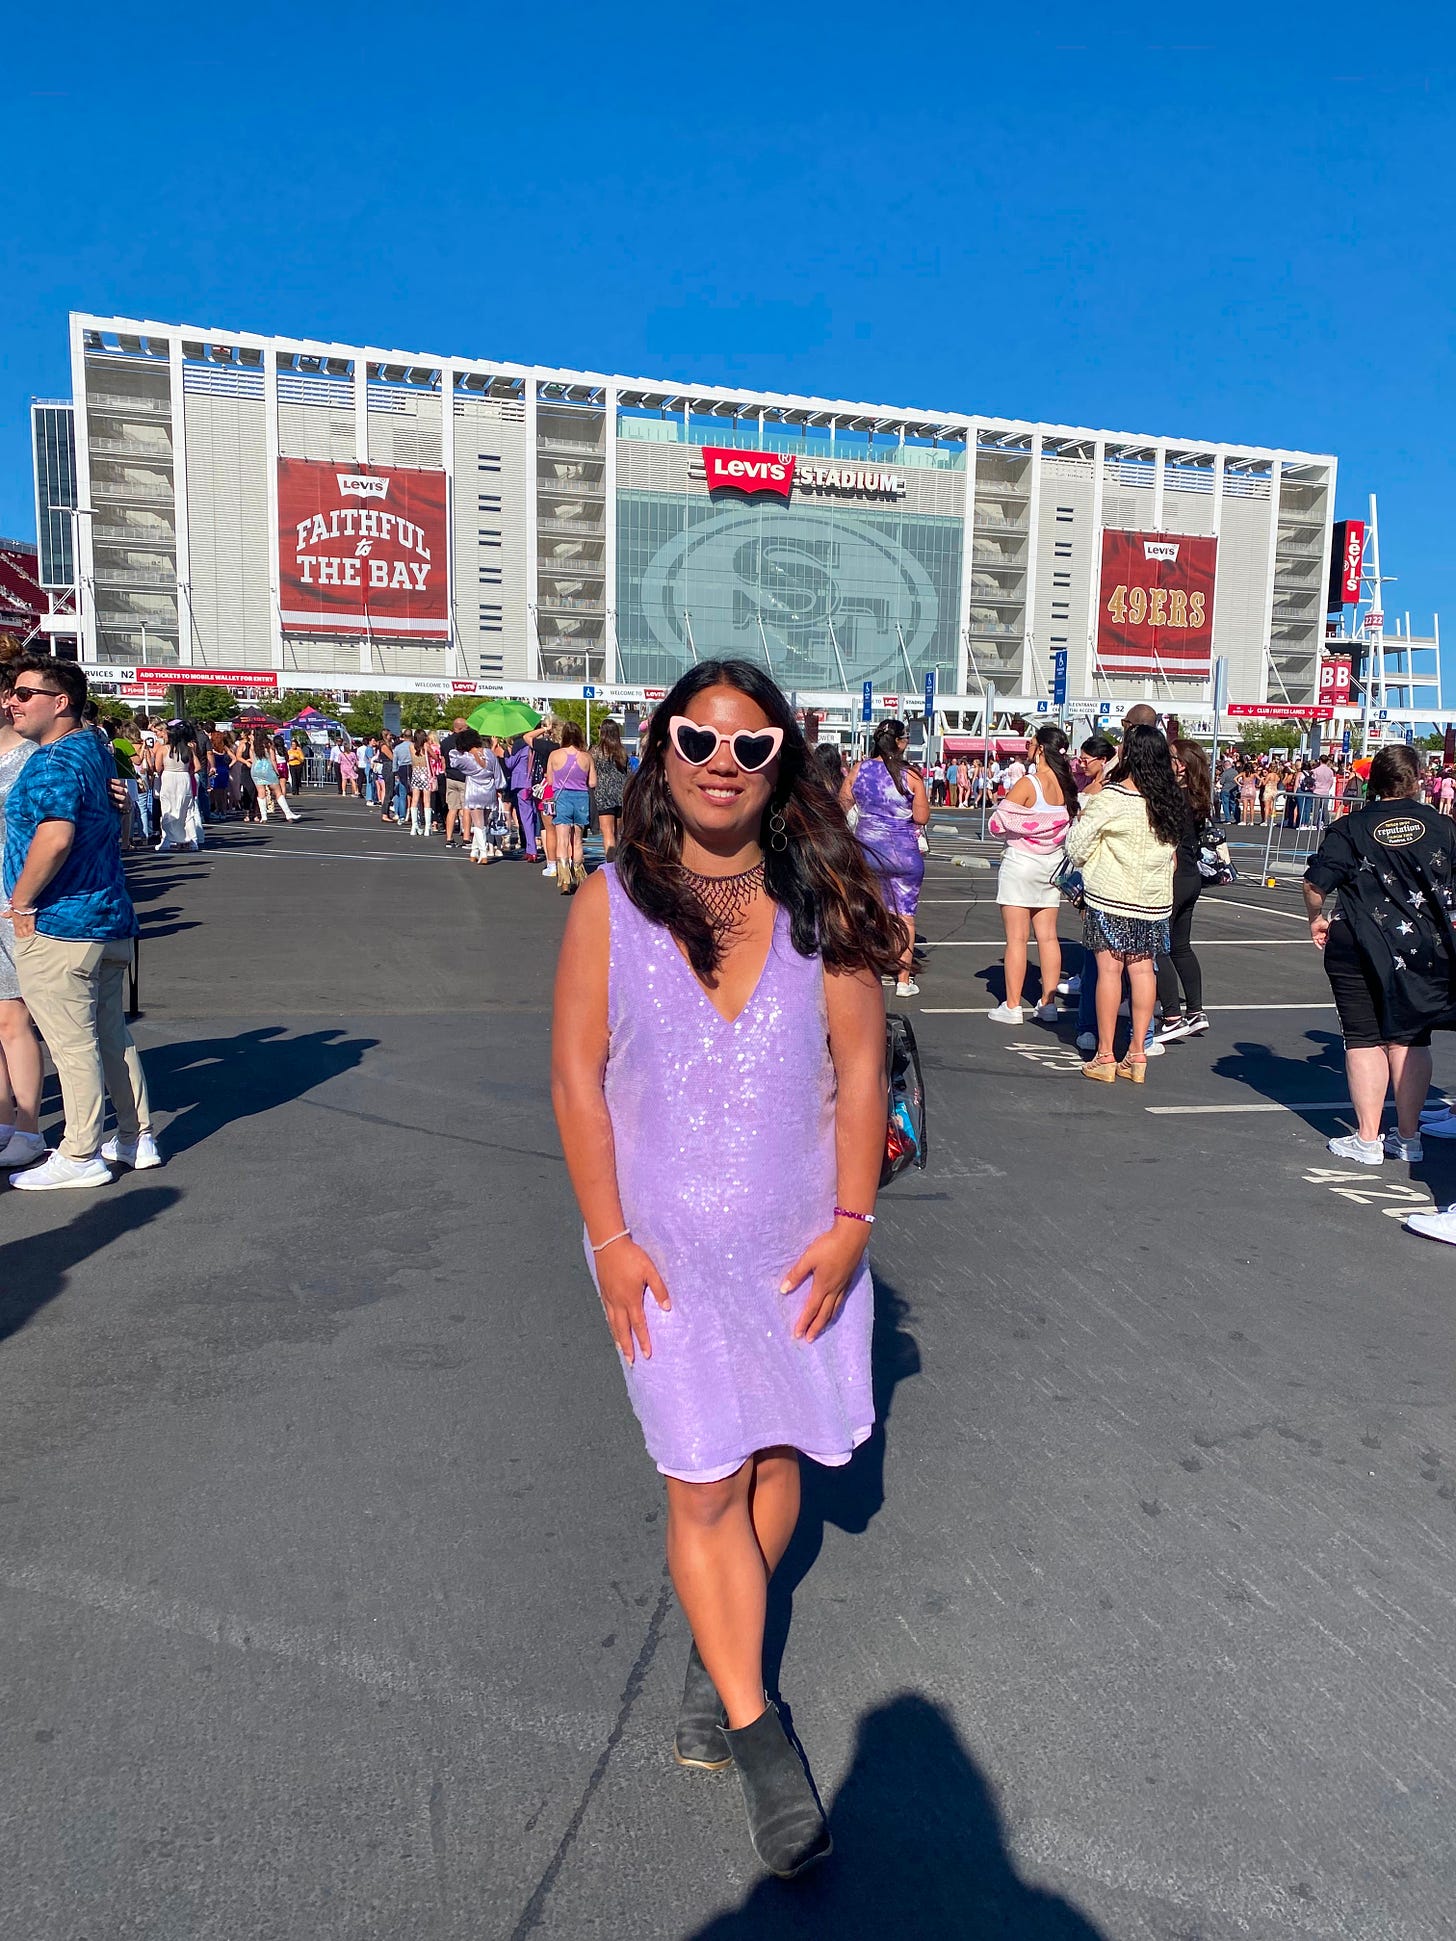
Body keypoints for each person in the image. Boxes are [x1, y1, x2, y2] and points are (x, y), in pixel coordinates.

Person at [551, 657, 904, 1880]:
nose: (720, 763)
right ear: (662, 750)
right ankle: (759, 1738)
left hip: (798, 1251)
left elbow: (862, 1073)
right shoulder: (611, 904)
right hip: (662, 1266)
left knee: (770, 1463)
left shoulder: (826, 896)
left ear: (780, 767)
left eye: (750, 748)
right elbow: (576, 1083)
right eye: (699, 739)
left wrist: (855, 1219)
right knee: (700, 1479)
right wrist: (607, 1238)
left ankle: (722, 1657)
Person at [1, 655, 158, 1188]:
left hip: (64, 919)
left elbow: (56, 836)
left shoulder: (51, 760)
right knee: (110, 1036)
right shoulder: (93, 747)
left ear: (59, 702)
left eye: (24, 694)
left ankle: (79, 1152)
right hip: (106, 915)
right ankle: (136, 1138)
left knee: (73, 1044)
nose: (12, 701)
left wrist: (21, 903)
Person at [1302, 743, 1456, 1167]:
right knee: (1410, 1037)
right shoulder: (1443, 827)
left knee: (1365, 1037)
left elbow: (1316, 884)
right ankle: (1408, 1137)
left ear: (1374, 782)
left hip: (1359, 939)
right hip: (1423, 945)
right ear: (1418, 779)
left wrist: (1316, 918)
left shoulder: (1350, 827)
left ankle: (1368, 1139)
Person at [1063, 724, 1180, 1084]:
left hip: (1112, 895)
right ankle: (1137, 1053)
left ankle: (1105, 1054)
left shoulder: (1112, 798)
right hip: (1154, 900)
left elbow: (1076, 847)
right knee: (1143, 971)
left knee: (1110, 972)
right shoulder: (1169, 800)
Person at [986, 724, 1076, 1025]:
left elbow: (998, 823)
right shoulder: (1067, 785)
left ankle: (1012, 1006)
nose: (1027, 747)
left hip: (1021, 862)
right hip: (1052, 864)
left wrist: (1023, 824)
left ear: (1040, 749)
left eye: (1031, 743)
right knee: (1048, 937)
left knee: (1017, 939)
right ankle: (1048, 1003)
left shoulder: (1029, 783)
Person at [842, 719, 929, 998]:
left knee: (869, 913)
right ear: (901, 743)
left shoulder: (860, 770)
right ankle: (903, 980)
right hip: (904, 852)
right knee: (905, 917)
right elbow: (921, 817)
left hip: (868, 850)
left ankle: (870, 969)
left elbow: (841, 805)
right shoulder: (911, 775)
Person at [0, 652, 46, 1167]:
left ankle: (28, 1127)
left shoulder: (33, 757)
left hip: (13, 898)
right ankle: (3, 1119)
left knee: (14, 1018)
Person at [1152, 739, 1212, 1044]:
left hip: (1174, 875)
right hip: (1192, 875)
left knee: (1159, 945)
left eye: (1171, 757)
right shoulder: (1199, 796)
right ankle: (1196, 1010)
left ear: (1181, 765)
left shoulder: (1174, 796)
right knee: (1181, 946)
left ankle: (1172, 1015)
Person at [1072, 734, 1116, 1051]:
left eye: (1086, 760)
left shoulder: (1107, 792)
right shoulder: (1095, 787)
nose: (1081, 764)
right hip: (1092, 872)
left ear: (1102, 760)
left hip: (1099, 874)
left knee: (1098, 958)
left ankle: (1090, 1026)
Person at [546, 723, 596, 895]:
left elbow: (550, 781)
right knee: (577, 840)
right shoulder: (586, 757)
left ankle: (565, 880)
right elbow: (592, 783)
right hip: (581, 798)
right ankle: (579, 875)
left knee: (562, 840)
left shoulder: (555, 755)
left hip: (562, 798)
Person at [156, 723, 204, 852]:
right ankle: (193, 840)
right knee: (187, 810)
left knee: (167, 809)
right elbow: (198, 766)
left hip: (169, 778)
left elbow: (158, 767)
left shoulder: (163, 749)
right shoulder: (188, 749)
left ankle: (166, 841)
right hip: (184, 778)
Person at [591, 719, 630, 861]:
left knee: (607, 832)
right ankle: (620, 863)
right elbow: (628, 773)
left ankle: (611, 865)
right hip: (620, 793)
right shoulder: (622, 751)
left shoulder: (595, 752)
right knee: (618, 833)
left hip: (603, 794)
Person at [250, 731, 298, 823]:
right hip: (267, 769)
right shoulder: (269, 745)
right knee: (278, 791)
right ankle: (288, 814)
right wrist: (276, 772)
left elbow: (252, 759)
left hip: (256, 770)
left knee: (261, 792)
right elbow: (273, 760)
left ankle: (264, 816)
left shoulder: (253, 746)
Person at [440, 718, 471, 849]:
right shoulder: (465, 741)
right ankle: (466, 838)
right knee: (466, 808)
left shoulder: (445, 742)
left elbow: (443, 760)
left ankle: (449, 838)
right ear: (460, 728)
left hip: (450, 777)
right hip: (463, 777)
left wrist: (446, 772)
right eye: (466, 728)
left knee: (452, 809)